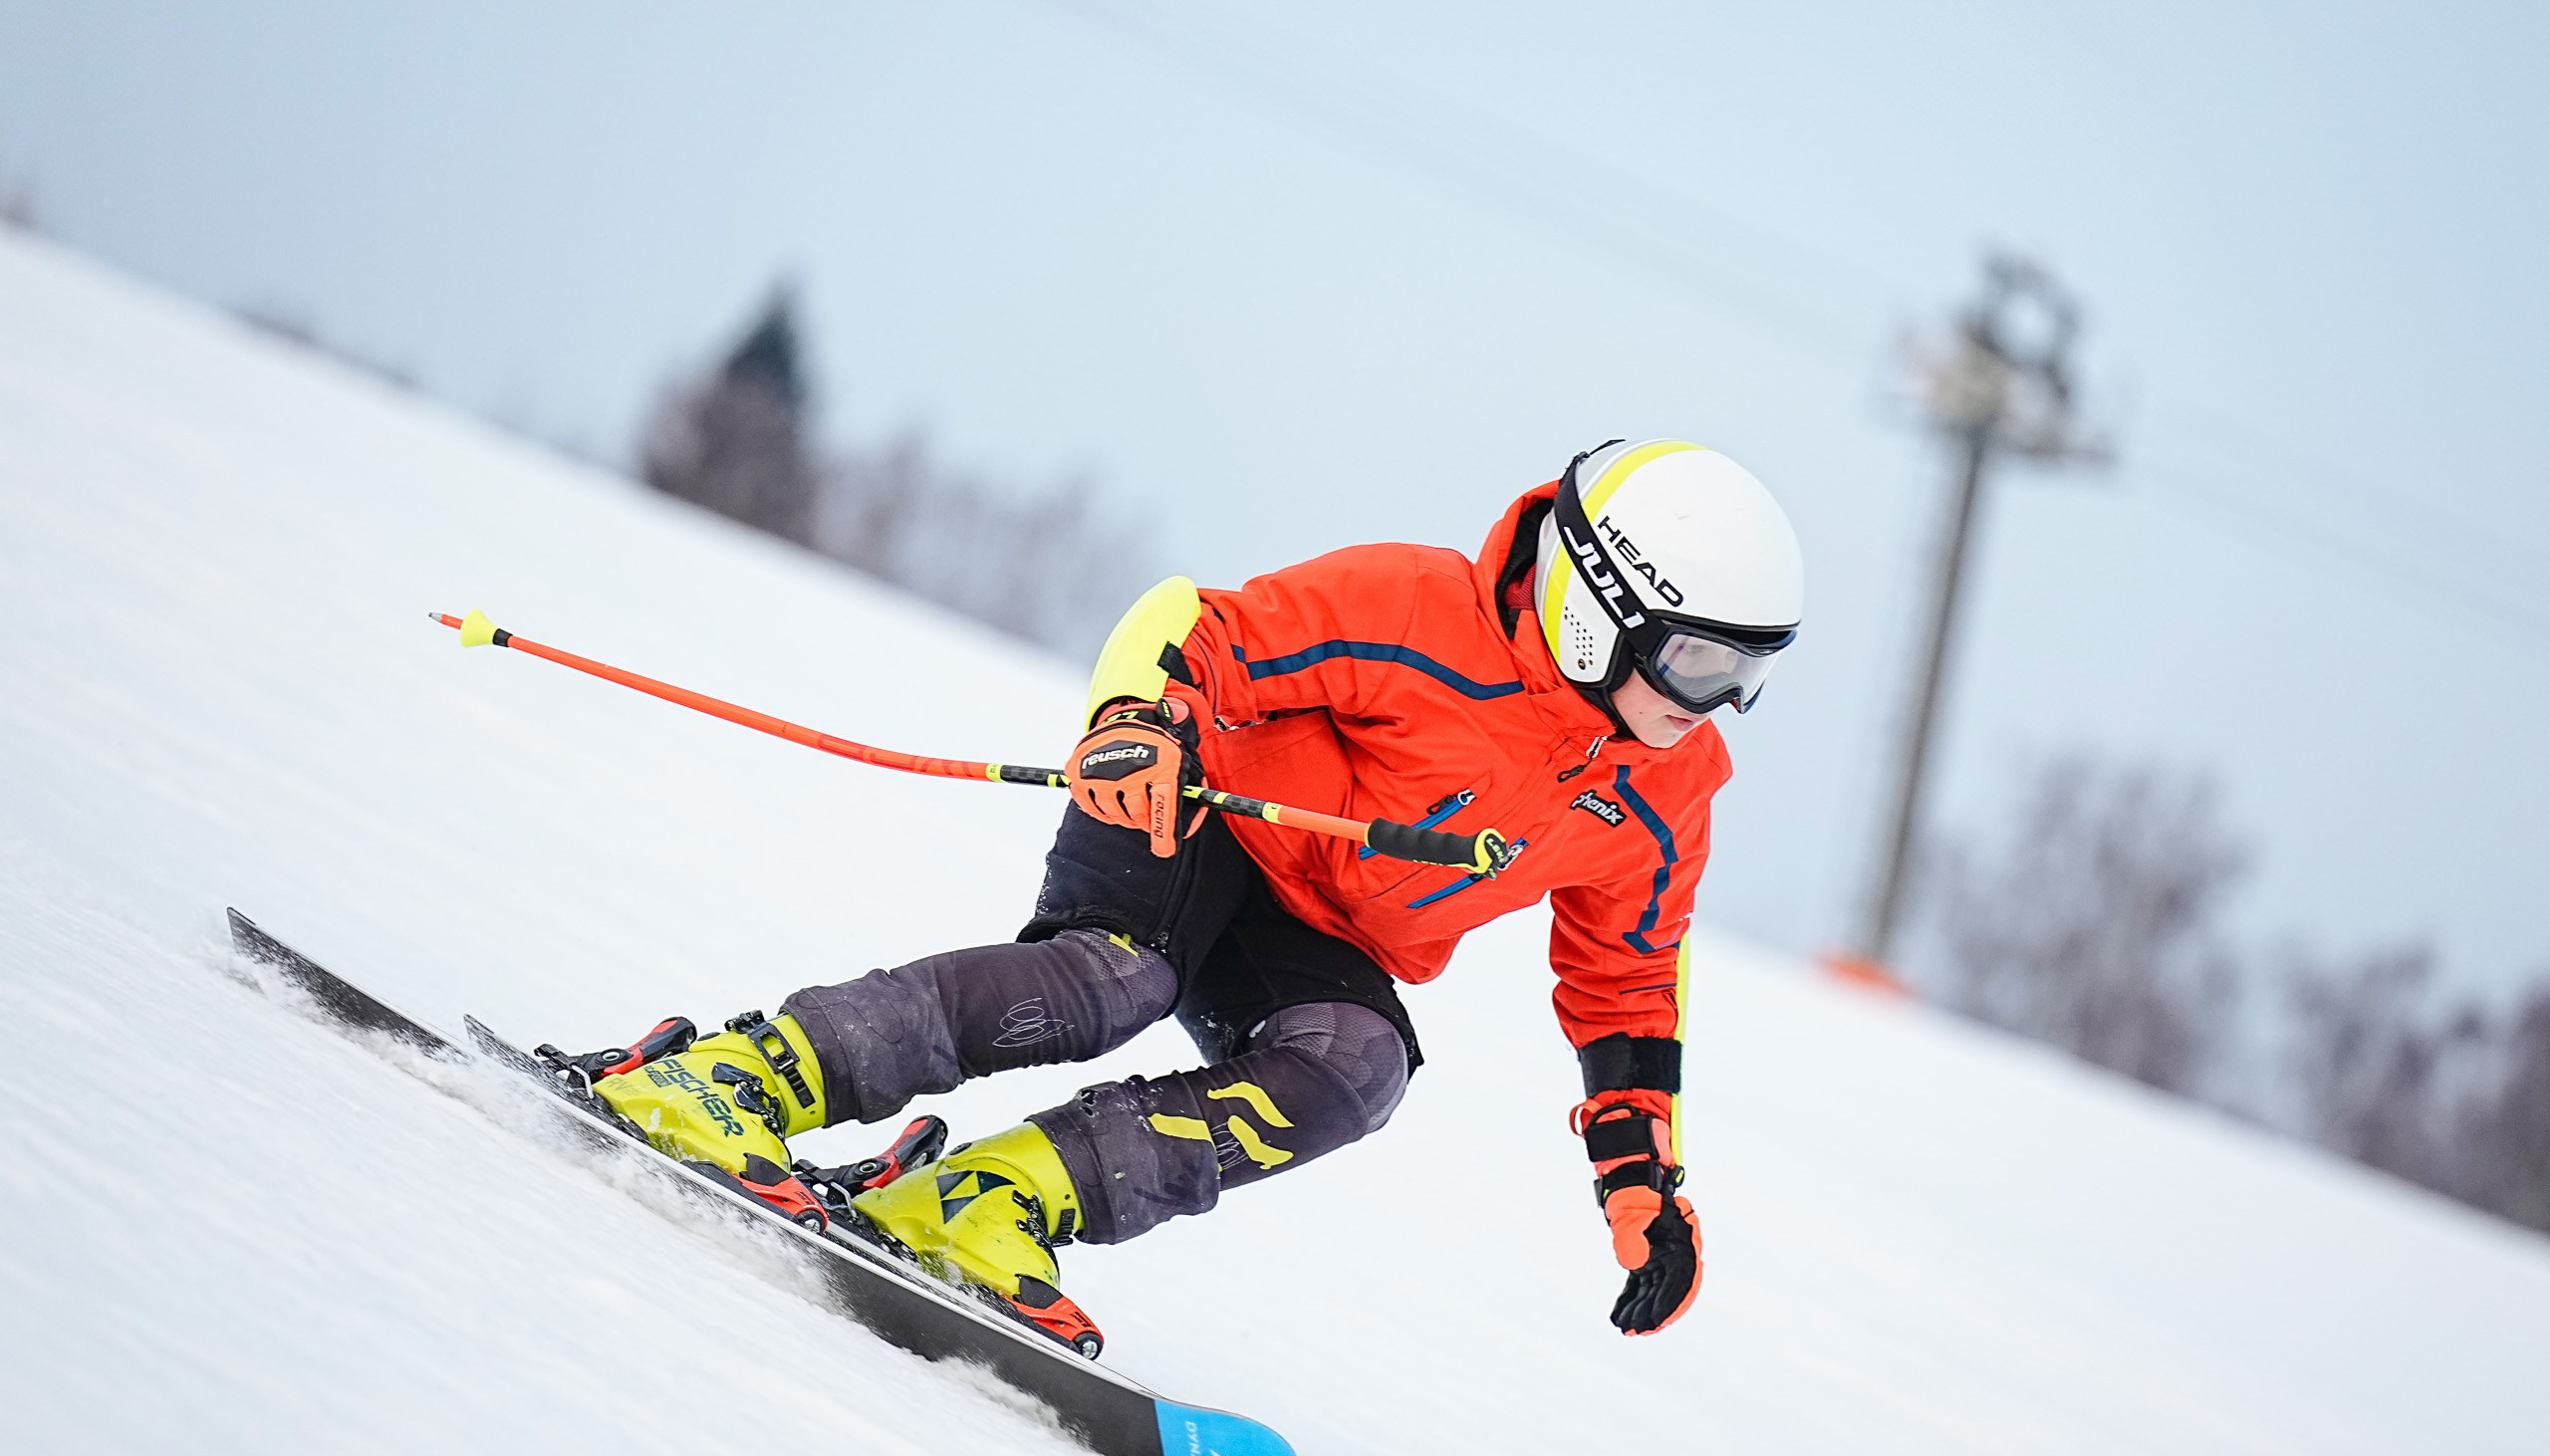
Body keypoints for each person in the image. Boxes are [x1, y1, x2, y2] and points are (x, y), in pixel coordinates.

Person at [553, 438, 1803, 1355]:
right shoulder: (1417, 611)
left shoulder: (1664, 785)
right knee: (1113, 980)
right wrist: (1139, 724)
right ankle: (737, 1077)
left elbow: (1627, 980)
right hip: (1198, 814)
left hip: (1317, 930)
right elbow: (1199, 625)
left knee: (1357, 1064)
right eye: (1698, 659)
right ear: (1601, 605)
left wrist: (1639, 1175)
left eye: (1745, 672)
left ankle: (985, 1197)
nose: (1716, 699)